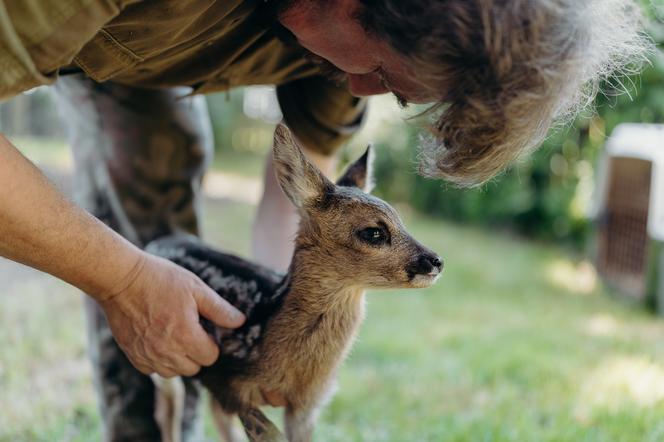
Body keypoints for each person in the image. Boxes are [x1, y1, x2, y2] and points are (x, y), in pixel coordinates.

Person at [0, 0, 647, 439]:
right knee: (157, 169)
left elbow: (304, 209)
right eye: (385, 76)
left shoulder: (348, 52)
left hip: (150, 52)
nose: (361, 90)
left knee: (166, 180)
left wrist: (283, 323)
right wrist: (121, 279)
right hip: (80, 32)